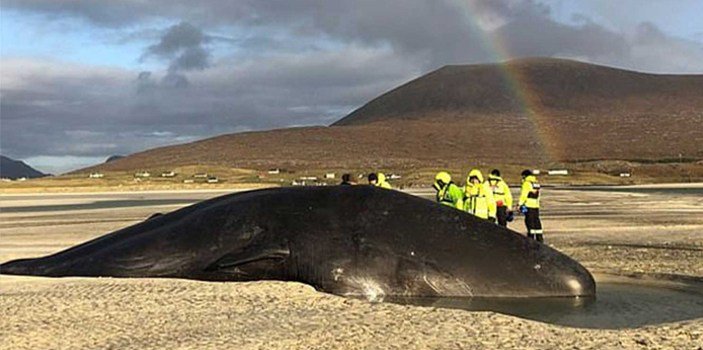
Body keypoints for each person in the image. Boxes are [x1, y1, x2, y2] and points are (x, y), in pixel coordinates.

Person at [517, 169, 543, 242]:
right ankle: (539, 238)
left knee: (529, 221)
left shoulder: (526, 183)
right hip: (536, 206)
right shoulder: (536, 183)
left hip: (528, 205)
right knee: (536, 221)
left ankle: (531, 238)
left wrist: (519, 204)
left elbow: (524, 195)